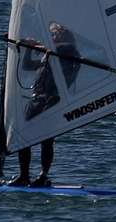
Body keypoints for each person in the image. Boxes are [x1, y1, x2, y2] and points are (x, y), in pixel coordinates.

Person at [8, 23, 82, 187]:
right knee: (23, 134)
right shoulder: (49, 55)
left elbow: (61, 48)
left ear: (61, 37)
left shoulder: (69, 51)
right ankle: (24, 176)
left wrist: (38, 45)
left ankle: (43, 175)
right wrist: (28, 48)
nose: (51, 39)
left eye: (53, 36)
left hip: (53, 99)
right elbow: (27, 65)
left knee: (46, 138)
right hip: (37, 99)